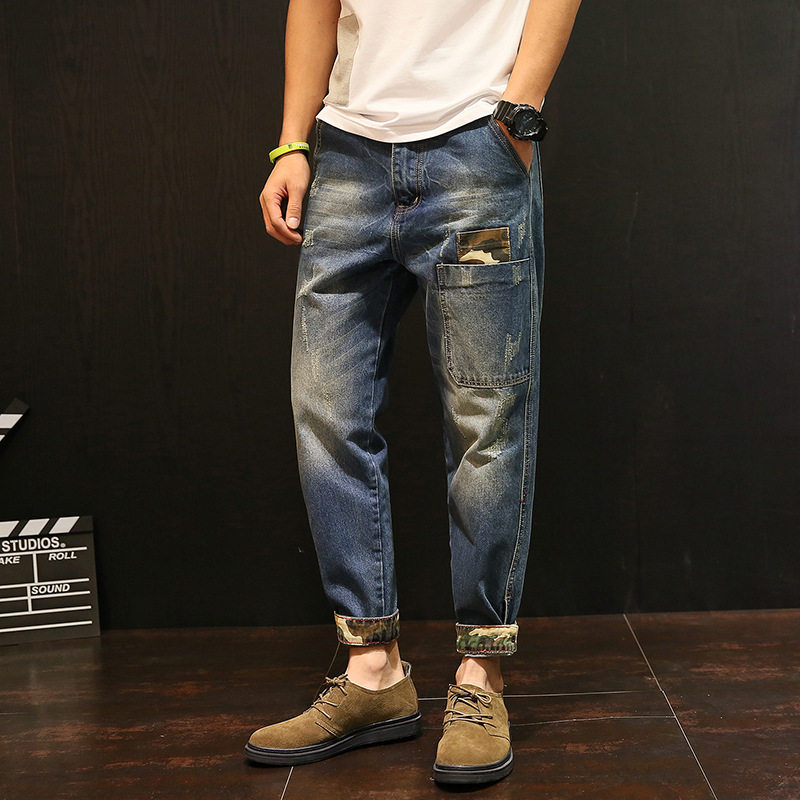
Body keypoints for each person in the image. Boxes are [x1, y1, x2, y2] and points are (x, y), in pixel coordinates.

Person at [247, 0, 581, 785]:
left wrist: (522, 109)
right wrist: (293, 140)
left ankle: (480, 676)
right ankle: (373, 674)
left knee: (485, 420)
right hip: (347, 152)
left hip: (476, 145)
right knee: (326, 411)